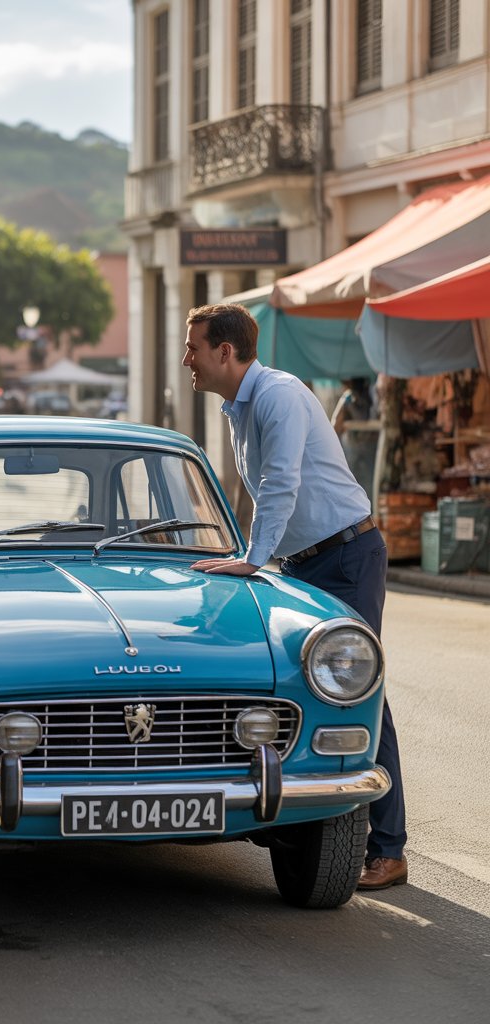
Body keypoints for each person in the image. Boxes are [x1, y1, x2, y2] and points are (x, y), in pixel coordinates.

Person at [181, 303, 407, 891]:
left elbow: (281, 483)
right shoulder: (239, 405)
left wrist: (252, 560)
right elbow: (253, 490)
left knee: (353, 685)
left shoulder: (279, 395)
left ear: (225, 352)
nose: (188, 360)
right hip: (305, 562)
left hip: (346, 554)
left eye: (194, 347)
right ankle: (309, 824)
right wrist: (251, 552)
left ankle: (387, 849)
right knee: (299, 688)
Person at [331, 377, 378, 507]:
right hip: (371, 448)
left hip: (353, 447)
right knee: (370, 484)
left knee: (352, 483)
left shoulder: (347, 398)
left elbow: (335, 425)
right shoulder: (373, 397)